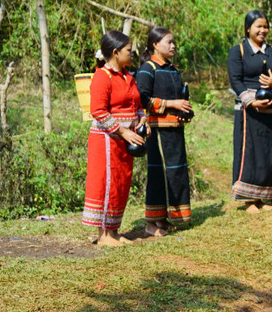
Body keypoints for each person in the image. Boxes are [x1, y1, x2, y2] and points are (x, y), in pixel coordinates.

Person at [82, 30, 146, 246]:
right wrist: (123, 131)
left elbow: (137, 105)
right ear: (116, 52)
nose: (132, 53)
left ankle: (114, 231)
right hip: (106, 141)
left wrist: (142, 121)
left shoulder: (128, 77)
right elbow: (98, 111)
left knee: (120, 184)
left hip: (126, 141)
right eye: (128, 50)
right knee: (106, 184)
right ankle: (103, 236)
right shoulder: (102, 76)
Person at [227, 10, 272, 214]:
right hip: (249, 110)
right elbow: (235, 80)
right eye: (258, 26)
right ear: (248, 29)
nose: (263, 30)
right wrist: (252, 101)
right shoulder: (238, 51)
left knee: (268, 152)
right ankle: (249, 200)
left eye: (265, 27)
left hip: (270, 109)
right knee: (249, 152)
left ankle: (262, 196)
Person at [136, 28, 194, 236]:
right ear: (155, 44)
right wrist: (172, 103)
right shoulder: (147, 69)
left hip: (175, 130)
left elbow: (181, 99)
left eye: (173, 42)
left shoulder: (172, 70)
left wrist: (185, 112)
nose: (173, 46)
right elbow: (142, 99)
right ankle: (151, 222)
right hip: (157, 131)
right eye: (168, 42)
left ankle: (165, 218)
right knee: (158, 175)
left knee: (176, 173)